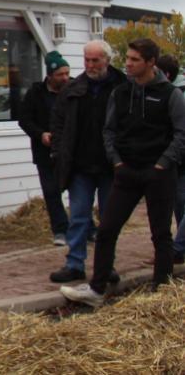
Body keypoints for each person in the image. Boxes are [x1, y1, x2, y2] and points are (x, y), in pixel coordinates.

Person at [61, 39, 185, 307]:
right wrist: (116, 161)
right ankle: (97, 289)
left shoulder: (169, 94)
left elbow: (181, 133)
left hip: (159, 174)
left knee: (161, 234)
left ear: (150, 62)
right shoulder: (120, 93)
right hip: (126, 172)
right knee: (106, 230)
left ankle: (161, 292)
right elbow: (109, 130)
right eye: (127, 58)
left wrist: (163, 163)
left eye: (134, 59)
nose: (127, 63)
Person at [48, 40, 124, 283]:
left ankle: (105, 265)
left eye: (95, 60)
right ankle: (74, 263)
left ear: (107, 60)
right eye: (87, 60)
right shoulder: (73, 89)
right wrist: (59, 153)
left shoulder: (122, 87)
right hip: (80, 164)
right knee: (79, 215)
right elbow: (58, 124)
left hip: (111, 164)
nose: (90, 65)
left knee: (109, 219)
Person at [19, 51, 72, 246]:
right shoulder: (36, 93)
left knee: (77, 190)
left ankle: (86, 227)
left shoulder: (74, 89)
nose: (65, 78)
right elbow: (24, 119)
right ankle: (60, 230)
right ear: (50, 75)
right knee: (51, 191)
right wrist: (40, 134)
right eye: (60, 74)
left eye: (67, 73)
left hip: (71, 150)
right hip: (45, 150)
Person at [146, 55, 185, 267]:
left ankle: (177, 249)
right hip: (173, 160)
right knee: (178, 204)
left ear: (166, 74)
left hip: (175, 158)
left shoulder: (176, 95)